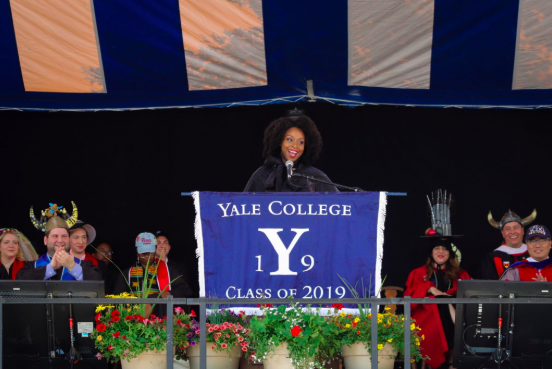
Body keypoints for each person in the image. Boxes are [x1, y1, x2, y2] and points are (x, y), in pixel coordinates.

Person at [405, 237, 470, 369]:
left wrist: (450, 294)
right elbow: (409, 296)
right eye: (437, 248)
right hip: (426, 315)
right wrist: (428, 287)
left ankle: (451, 360)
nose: (441, 251)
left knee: (448, 305)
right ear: (431, 252)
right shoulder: (419, 273)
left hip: (452, 312)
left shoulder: (460, 273)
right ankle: (449, 362)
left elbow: (468, 292)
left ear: (450, 253)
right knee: (441, 306)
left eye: (445, 249)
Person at [244, 115, 338, 192]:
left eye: (301, 142)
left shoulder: (316, 177)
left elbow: (339, 207)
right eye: (289, 139)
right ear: (280, 141)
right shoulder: (262, 175)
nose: (295, 146)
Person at [113, 232, 193, 316]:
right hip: (132, 315)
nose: (147, 255)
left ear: (155, 249)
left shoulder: (168, 270)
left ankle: (141, 317)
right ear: (137, 251)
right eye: (144, 253)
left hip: (160, 319)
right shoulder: (127, 274)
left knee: (156, 297)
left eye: (150, 252)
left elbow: (186, 290)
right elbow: (117, 297)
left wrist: (169, 293)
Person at [18, 202, 101, 281]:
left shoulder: (85, 265)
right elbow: (20, 282)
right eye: (55, 236)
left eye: (64, 236)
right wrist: (51, 267)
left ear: (69, 239)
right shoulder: (31, 266)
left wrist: (72, 266)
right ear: (45, 240)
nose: (60, 240)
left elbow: (98, 281)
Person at [478, 209, 536, 280]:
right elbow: (488, 287)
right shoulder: (492, 258)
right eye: (508, 229)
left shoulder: (535, 253)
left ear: (522, 230)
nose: (512, 232)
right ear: (503, 233)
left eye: (516, 227)